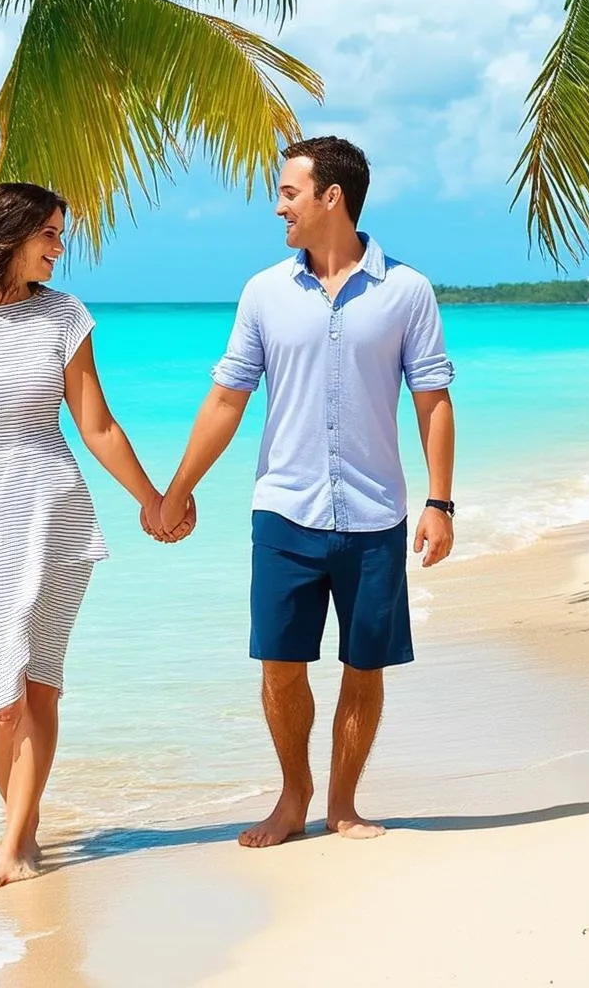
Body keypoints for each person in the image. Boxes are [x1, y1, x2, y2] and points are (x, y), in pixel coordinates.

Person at [0, 183, 194, 892]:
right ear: (10, 233)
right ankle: (20, 836)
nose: (61, 249)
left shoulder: (66, 317)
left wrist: (153, 500)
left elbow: (95, 424)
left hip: (53, 512)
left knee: (37, 686)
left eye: (60, 235)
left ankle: (18, 844)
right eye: (51, 235)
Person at [159, 137, 456, 848]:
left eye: (289, 192)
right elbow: (227, 399)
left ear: (332, 197)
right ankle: (294, 796)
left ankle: (344, 804)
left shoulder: (406, 291)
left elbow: (433, 399)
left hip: (375, 514)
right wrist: (176, 491)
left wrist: (440, 503)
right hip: (284, 511)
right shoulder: (263, 292)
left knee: (365, 667)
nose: (278, 206)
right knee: (281, 667)